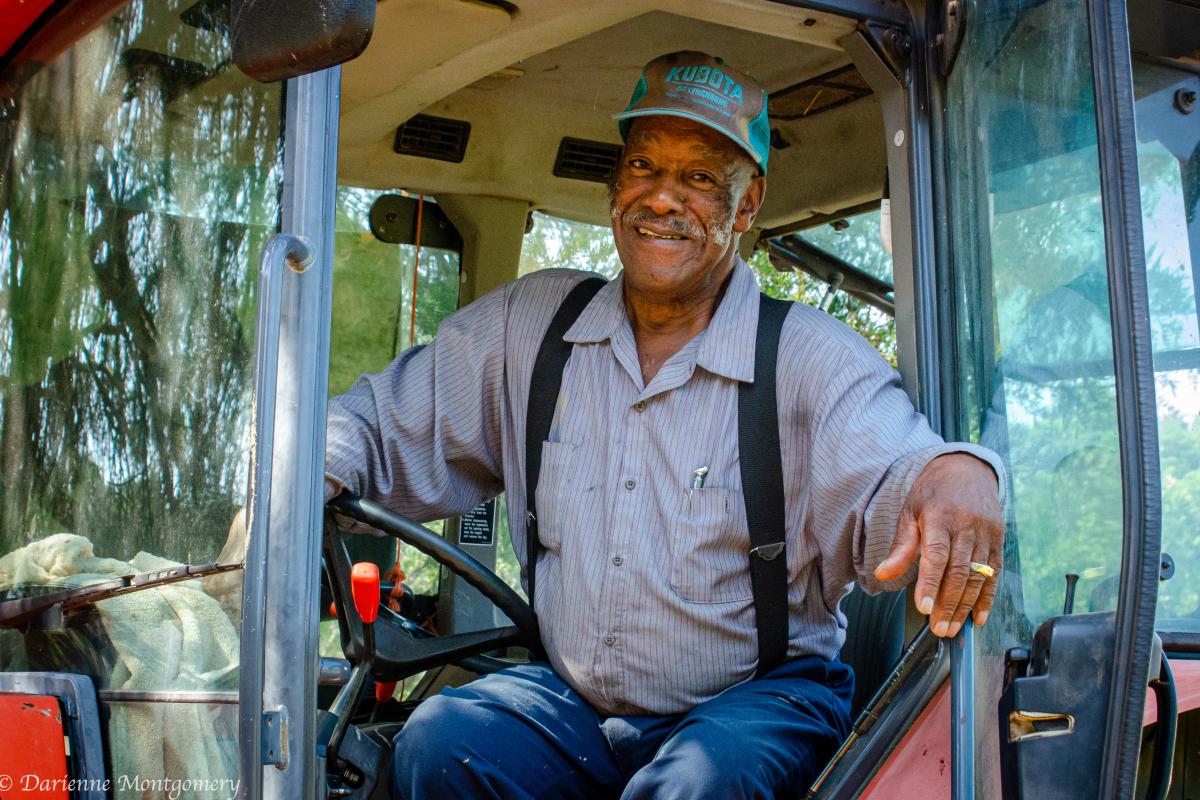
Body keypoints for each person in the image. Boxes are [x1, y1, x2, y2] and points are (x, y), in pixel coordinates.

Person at [324, 51, 1005, 799]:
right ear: (616, 186)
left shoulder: (807, 357)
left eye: (701, 178)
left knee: (692, 786)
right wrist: (305, 466)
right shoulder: (534, 328)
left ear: (746, 208)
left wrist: (955, 473)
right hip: (579, 706)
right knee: (439, 740)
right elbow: (378, 423)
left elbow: (901, 468)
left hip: (759, 704)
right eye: (644, 165)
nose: (662, 198)